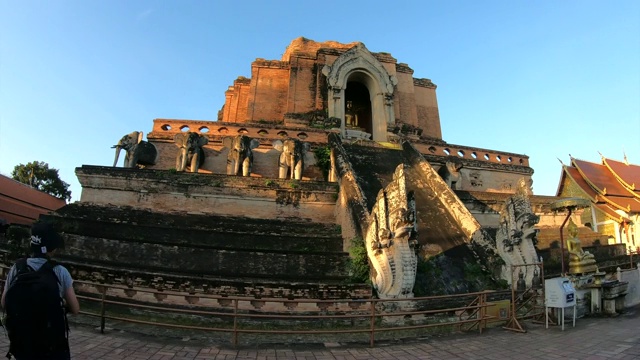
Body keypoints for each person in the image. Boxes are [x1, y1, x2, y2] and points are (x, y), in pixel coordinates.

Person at [1, 222, 80, 360]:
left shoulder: (17, 268)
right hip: (52, 343)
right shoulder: (60, 272)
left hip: (23, 341)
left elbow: (4, 302)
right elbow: (75, 308)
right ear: (52, 249)